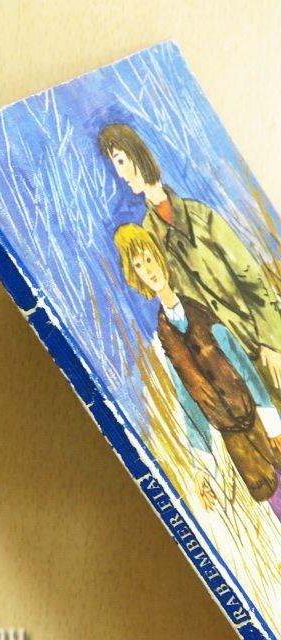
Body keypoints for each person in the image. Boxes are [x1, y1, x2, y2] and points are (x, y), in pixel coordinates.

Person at [98, 123, 281, 464]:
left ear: (137, 155)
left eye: (120, 161)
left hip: (262, 350)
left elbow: (252, 280)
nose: (120, 174)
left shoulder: (201, 216)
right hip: (231, 377)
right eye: (114, 165)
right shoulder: (149, 238)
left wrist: (274, 342)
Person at [114, 223, 281, 504]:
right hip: (236, 443)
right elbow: (188, 401)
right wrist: (203, 467)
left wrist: (273, 424)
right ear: (135, 276)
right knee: (273, 499)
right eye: (139, 266)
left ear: (159, 257)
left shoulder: (200, 312)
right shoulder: (165, 338)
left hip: (259, 420)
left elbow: (243, 366)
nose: (149, 270)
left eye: (149, 258)